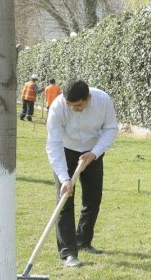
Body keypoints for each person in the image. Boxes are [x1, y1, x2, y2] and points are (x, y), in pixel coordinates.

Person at [46, 79, 118, 267]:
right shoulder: (57, 107)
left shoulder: (103, 100)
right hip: (66, 150)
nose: (72, 108)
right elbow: (53, 144)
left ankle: (83, 240)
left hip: (93, 151)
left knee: (93, 199)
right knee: (65, 200)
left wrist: (94, 153)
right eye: (69, 104)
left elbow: (110, 129)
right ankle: (68, 253)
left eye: (77, 105)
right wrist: (64, 178)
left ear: (88, 98)